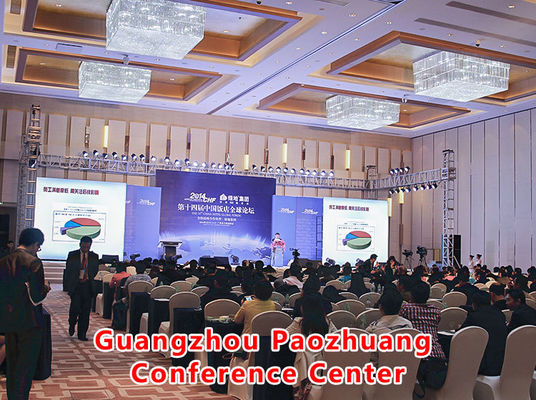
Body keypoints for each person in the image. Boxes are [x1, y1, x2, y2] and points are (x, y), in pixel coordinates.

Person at [0, 228, 50, 399]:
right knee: (25, 369)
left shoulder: (4, 260)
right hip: (29, 322)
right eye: (38, 247)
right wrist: (45, 287)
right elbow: (36, 297)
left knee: (12, 367)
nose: (38, 250)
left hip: (8, 320)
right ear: (35, 244)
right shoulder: (33, 262)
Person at [460, 291, 507, 376]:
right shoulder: (500, 314)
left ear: (474, 304)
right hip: (503, 362)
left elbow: (461, 335)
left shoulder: (473, 317)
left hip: (483, 365)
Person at [399, 281, 445, 360]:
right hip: (437, 355)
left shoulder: (406, 308)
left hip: (416, 357)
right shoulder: (436, 310)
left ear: (411, 295)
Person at [64, 236, 99, 341]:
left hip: (88, 286)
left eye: (88, 246)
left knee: (85, 312)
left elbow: (95, 271)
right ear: (80, 244)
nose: (85, 248)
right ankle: (72, 324)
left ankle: (82, 334)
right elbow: (68, 271)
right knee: (75, 309)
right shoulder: (72, 255)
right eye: (84, 246)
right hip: (76, 286)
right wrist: (68, 286)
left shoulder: (94, 256)